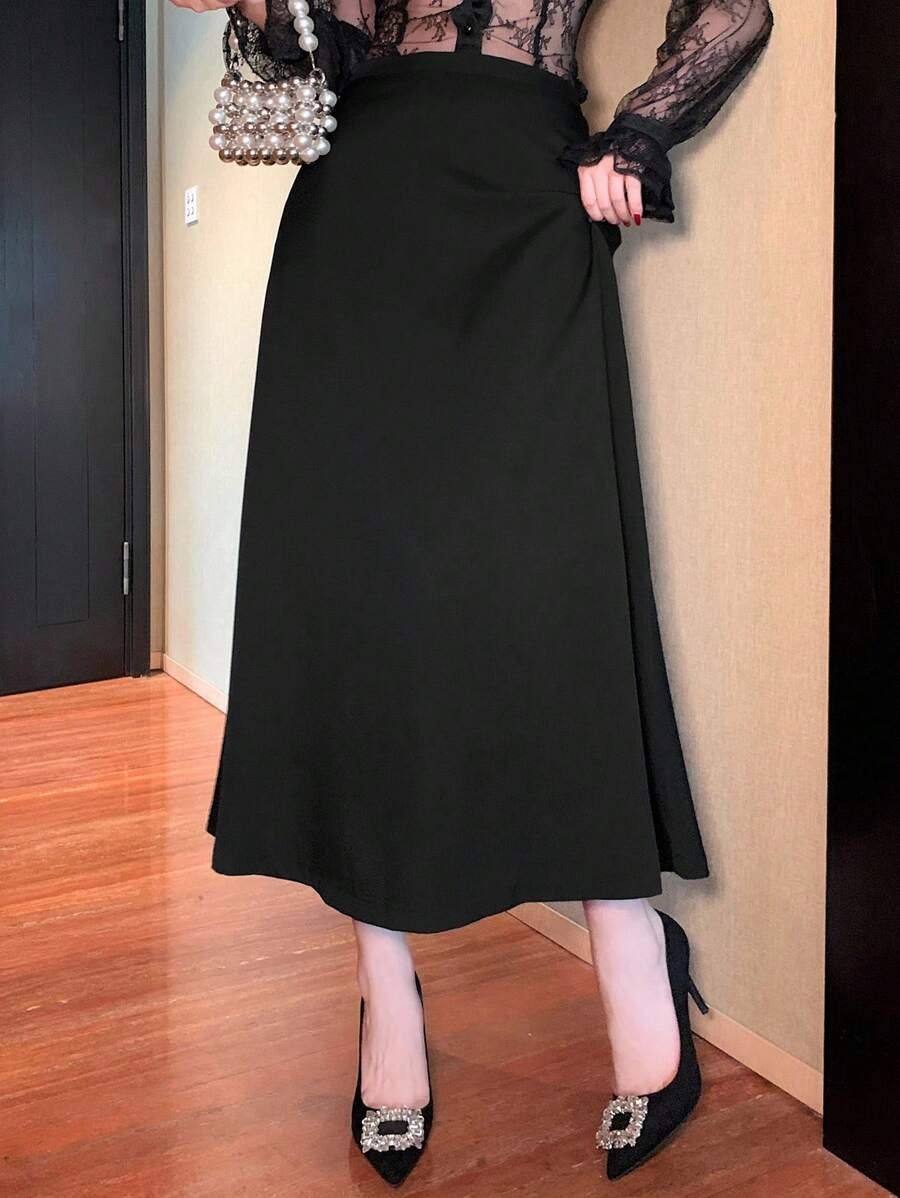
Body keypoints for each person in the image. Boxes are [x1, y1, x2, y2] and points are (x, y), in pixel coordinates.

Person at [171, 0, 773, 1183]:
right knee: (355, 596)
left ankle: (629, 939)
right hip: (358, 221)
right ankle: (383, 983)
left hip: (524, 206)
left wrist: (636, 133)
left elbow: (733, 12)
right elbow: (316, 45)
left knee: (554, 592)